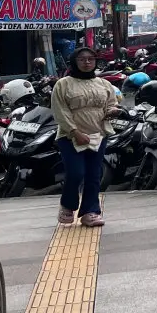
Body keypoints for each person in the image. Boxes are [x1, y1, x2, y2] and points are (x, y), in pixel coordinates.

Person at [51, 47, 119, 227]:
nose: (87, 62)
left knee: (93, 175)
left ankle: (91, 211)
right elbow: (60, 111)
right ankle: (68, 204)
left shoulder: (103, 84)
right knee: (76, 172)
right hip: (69, 136)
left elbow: (111, 103)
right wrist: (75, 132)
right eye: (82, 59)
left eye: (90, 59)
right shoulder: (63, 84)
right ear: (75, 61)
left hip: (98, 134)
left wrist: (113, 111)